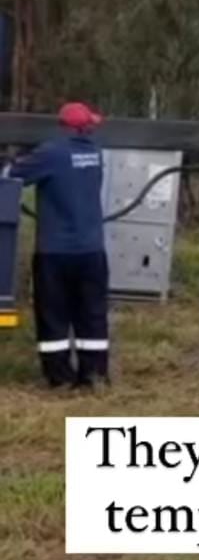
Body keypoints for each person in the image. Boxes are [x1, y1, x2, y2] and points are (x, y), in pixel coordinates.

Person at [5, 101, 110, 390]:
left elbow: (12, 176)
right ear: (82, 127)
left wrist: (12, 160)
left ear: (62, 127)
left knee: (54, 313)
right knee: (92, 312)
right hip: (92, 250)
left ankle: (60, 377)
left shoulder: (51, 153)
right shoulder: (95, 152)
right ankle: (94, 375)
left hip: (55, 251)